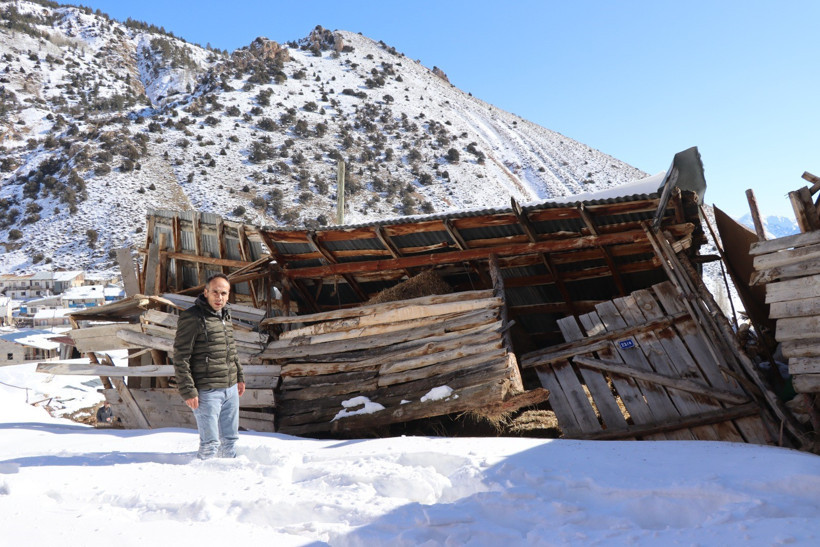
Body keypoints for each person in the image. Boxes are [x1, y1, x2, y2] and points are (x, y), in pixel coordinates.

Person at [173, 273, 245, 459]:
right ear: (206, 293)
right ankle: (203, 473)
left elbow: (231, 349)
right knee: (210, 444)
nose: (219, 297)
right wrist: (188, 390)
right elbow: (181, 356)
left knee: (230, 441)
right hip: (207, 390)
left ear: (228, 295)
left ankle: (231, 474)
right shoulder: (192, 317)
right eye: (215, 292)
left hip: (230, 388)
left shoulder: (225, 315)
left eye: (224, 293)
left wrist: (239, 377)